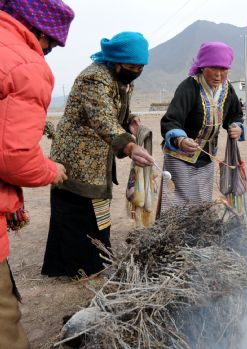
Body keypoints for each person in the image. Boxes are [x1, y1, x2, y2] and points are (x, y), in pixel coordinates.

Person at [41, 32, 154, 278]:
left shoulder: (123, 80)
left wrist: (130, 120)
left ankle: (94, 261)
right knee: (76, 210)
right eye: (131, 66)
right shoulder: (94, 78)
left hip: (97, 155)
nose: (136, 71)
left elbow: (116, 110)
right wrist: (129, 146)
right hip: (76, 155)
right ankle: (73, 267)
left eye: (140, 67)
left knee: (97, 210)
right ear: (116, 61)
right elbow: (102, 117)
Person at [0, 0, 74, 347]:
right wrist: (50, 169)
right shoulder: (25, 63)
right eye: (52, 46)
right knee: (4, 318)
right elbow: (14, 156)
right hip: (65, 162)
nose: (48, 53)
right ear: (41, 32)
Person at [160, 41, 245, 212]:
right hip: (180, 157)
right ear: (202, 67)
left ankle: (196, 236)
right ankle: (175, 237)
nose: (219, 74)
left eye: (224, 69)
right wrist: (181, 140)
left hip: (207, 158)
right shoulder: (189, 87)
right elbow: (171, 120)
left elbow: (235, 114)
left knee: (202, 201)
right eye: (214, 68)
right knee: (180, 202)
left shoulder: (227, 89)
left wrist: (237, 127)